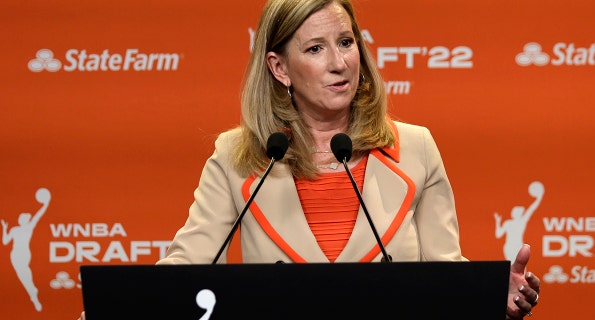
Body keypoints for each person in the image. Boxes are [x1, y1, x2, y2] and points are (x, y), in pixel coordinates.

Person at [78, 0, 540, 319]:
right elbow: (187, 266)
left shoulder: (415, 147)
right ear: (280, 69)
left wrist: (490, 295)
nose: (340, 62)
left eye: (346, 41)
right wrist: (121, 308)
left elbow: (444, 272)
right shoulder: (238, 156)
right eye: (316, 49)